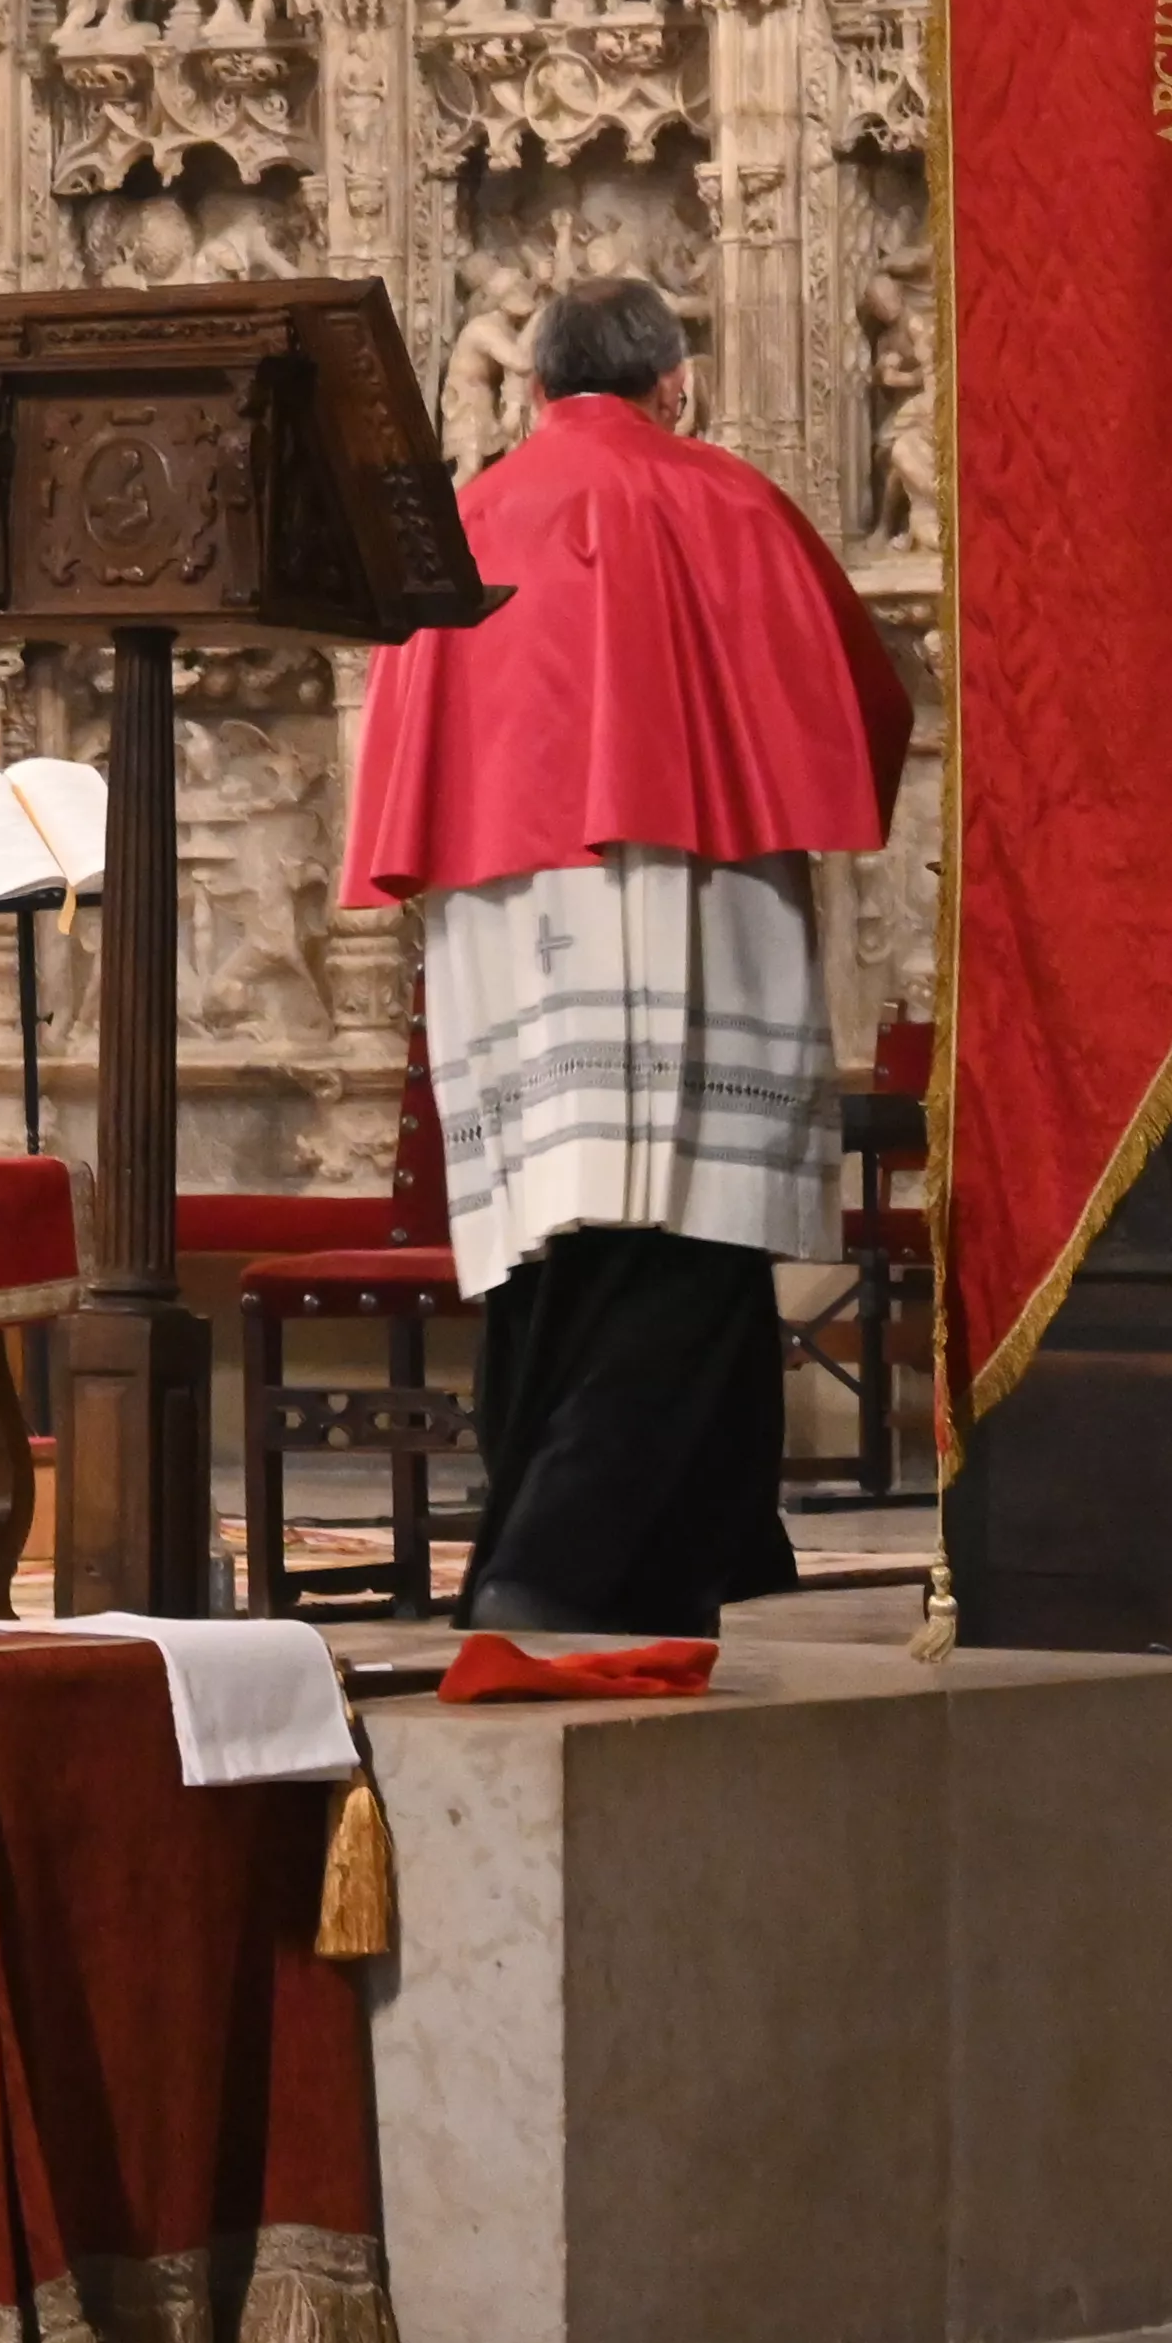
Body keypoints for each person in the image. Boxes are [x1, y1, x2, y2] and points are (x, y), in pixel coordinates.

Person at [339, 277, 909, 1636]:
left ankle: (677, 1563)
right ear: (677, 385)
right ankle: (545, 1574)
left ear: (532, 392)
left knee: (554, 1247)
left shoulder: (470, 518)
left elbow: (402, 732)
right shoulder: (726, 499)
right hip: (692, 887)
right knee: (688, 1239)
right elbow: (861, 691)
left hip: (499, 911)